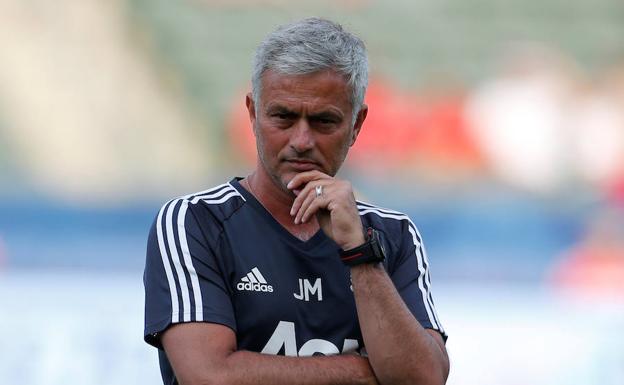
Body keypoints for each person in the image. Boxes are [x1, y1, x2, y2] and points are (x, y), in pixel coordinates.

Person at [144, 17, 449, 385]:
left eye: (324, 121)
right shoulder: (195, 222)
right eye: (284, 117)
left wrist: (360, 253)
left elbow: (423, 378)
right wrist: (369, 373)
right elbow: (211, 378)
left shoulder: (393, 234)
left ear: (356, 125)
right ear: (253, 113)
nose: (302, 140)